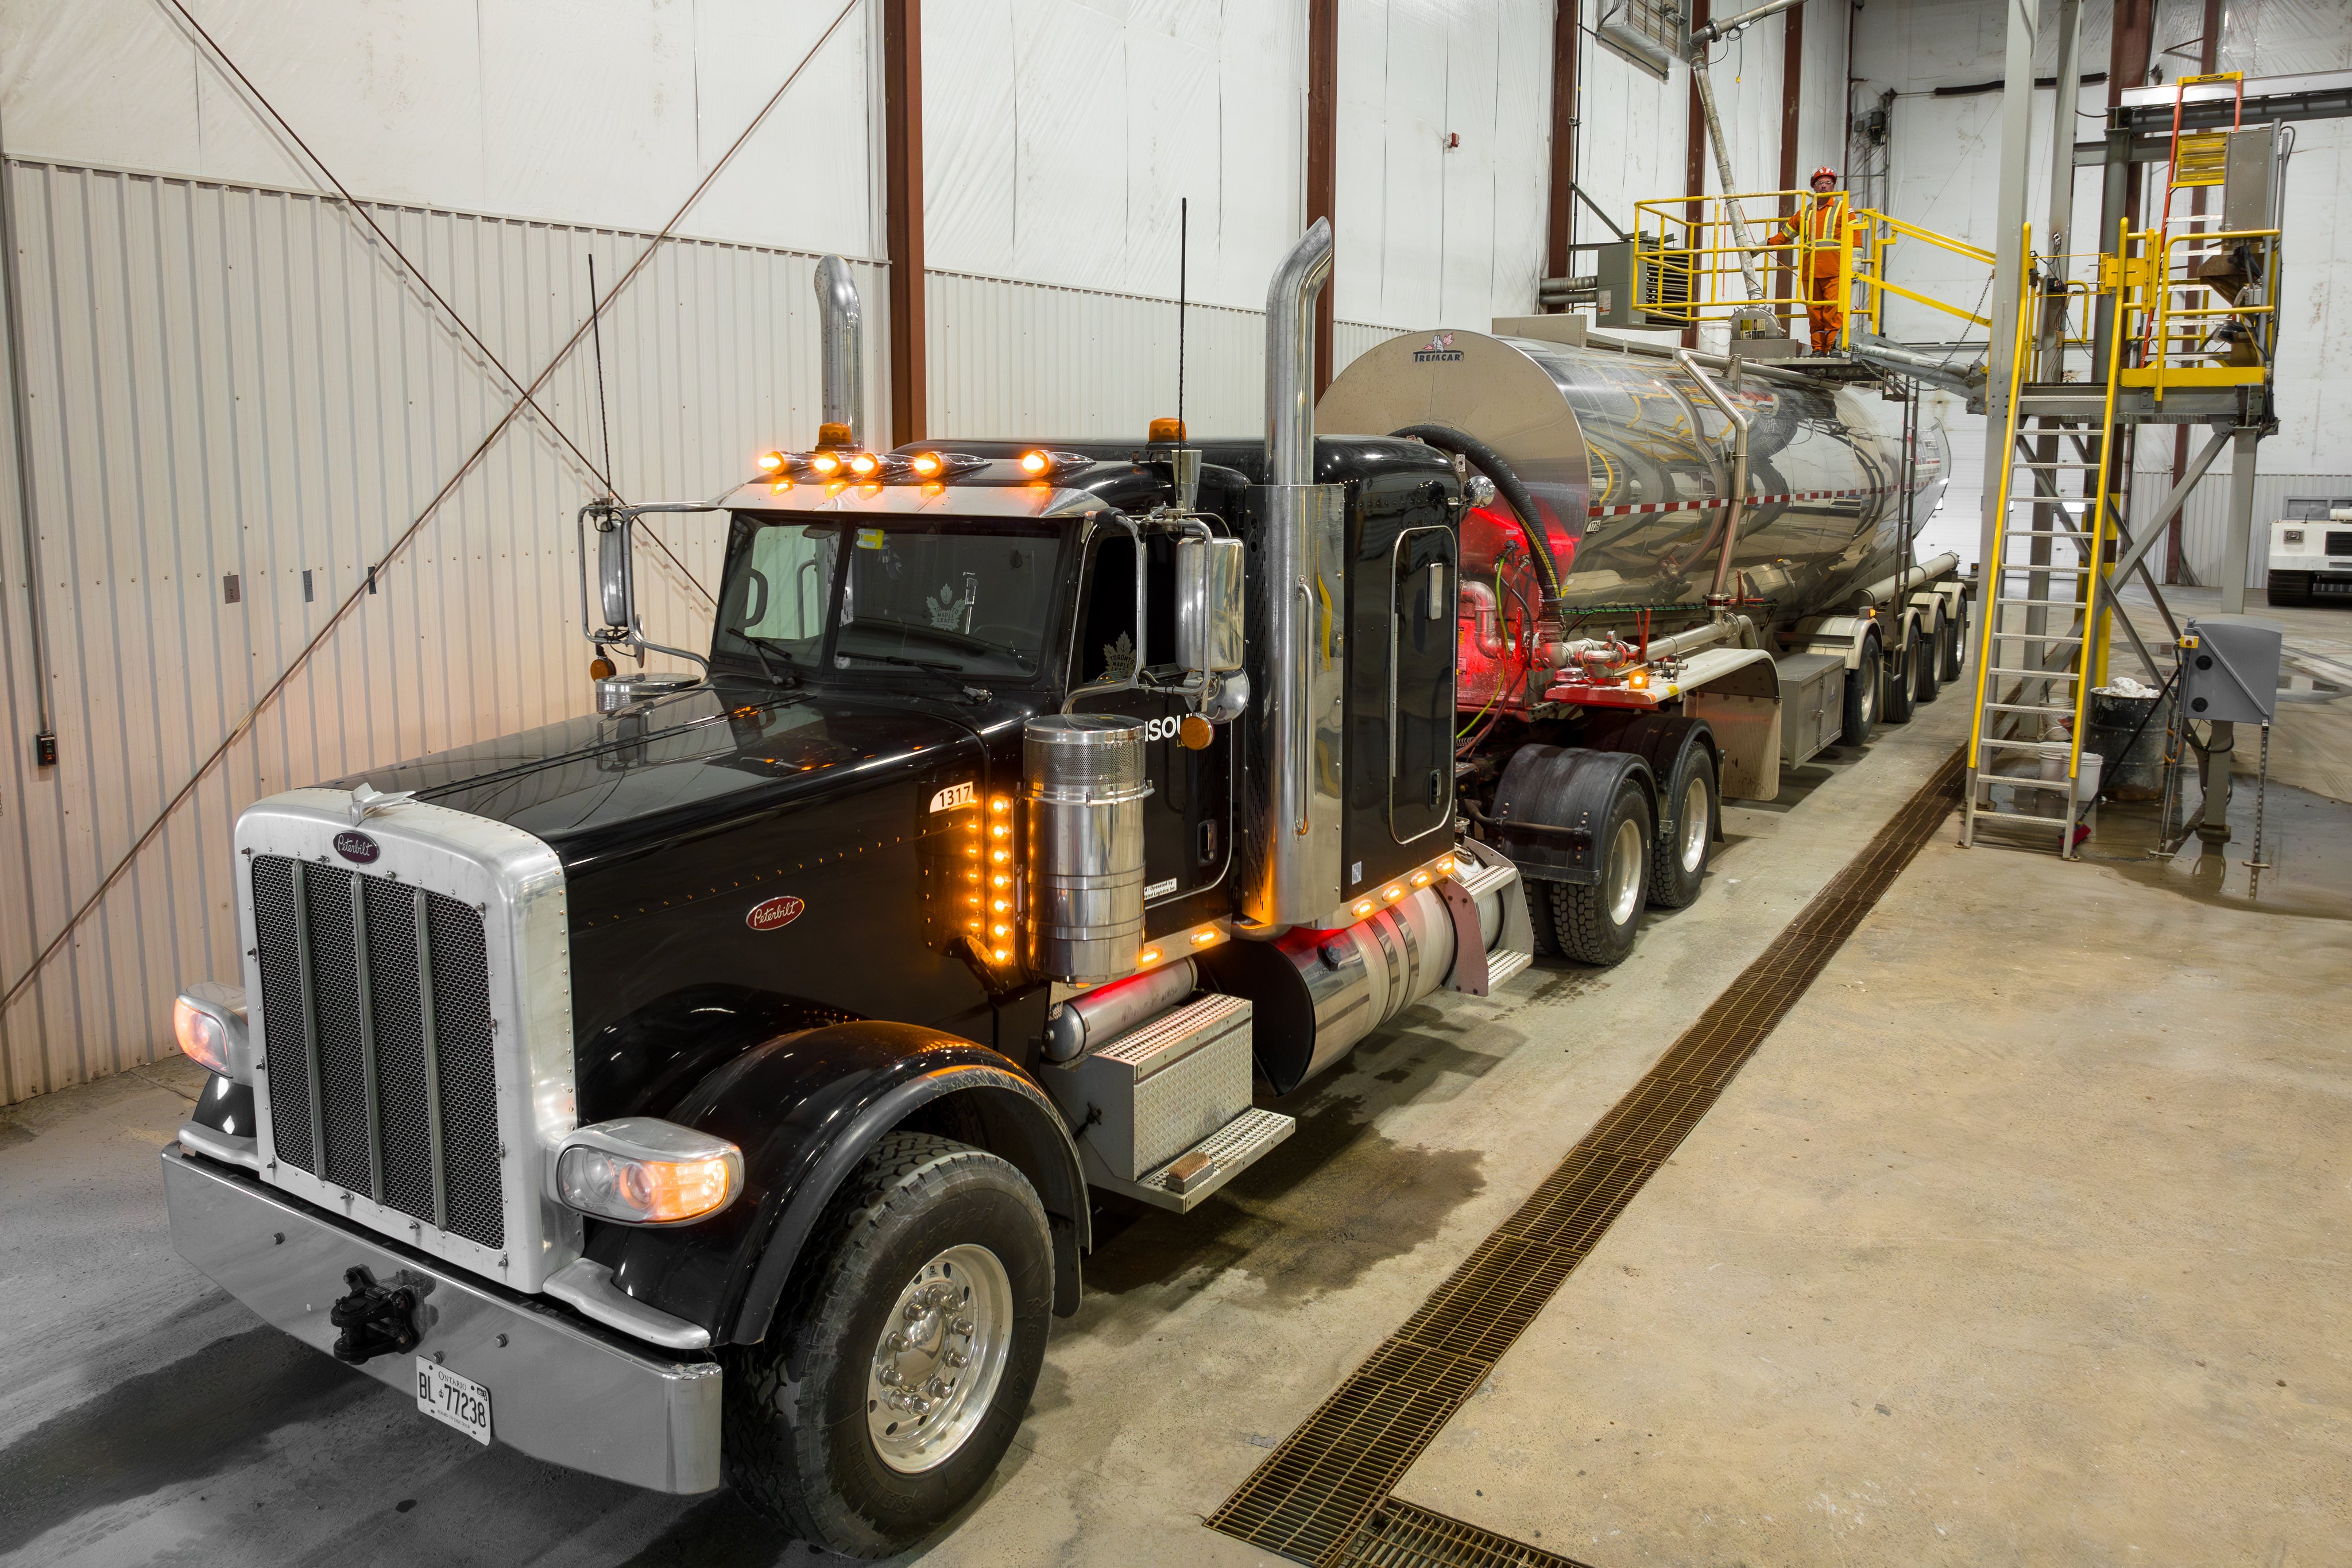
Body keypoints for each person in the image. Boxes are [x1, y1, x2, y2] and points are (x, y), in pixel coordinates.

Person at [1775, 167, 1848, 353]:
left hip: (1835, 271)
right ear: (1814, 187)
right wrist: (1762, 245)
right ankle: (1818, 349)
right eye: (1820, 183)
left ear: (1834, 186)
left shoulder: (1844, 208)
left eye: (1828, 183)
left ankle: (1833, 348)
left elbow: (1855, 238)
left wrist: (1855, 266)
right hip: (1811, 272)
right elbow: (1785, 235)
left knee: (1832, 312)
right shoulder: (1805, 213)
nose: (1824, 186)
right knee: (1815, 313)